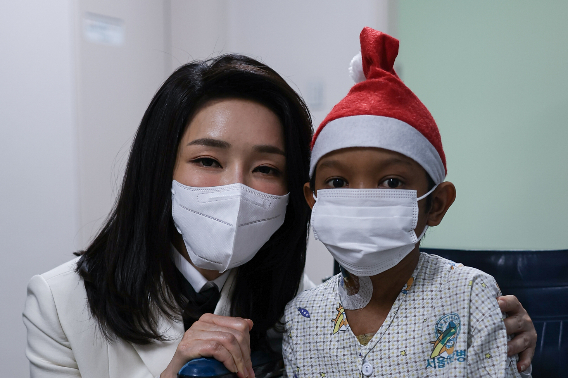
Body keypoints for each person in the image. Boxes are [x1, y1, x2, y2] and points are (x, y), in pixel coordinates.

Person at [22, 53, 534, 378]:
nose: (237, 188)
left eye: (266, 168)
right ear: (159, 168)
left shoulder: (302, 308)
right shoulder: (62, 303)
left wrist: (497, 331)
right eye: (207, 161)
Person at [283, 28, 533, 377]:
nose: (362, 200)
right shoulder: (301, 317)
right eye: (338, 182)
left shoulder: (470, 297)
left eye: (391, 182)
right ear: (314, 199)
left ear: (436, 205)